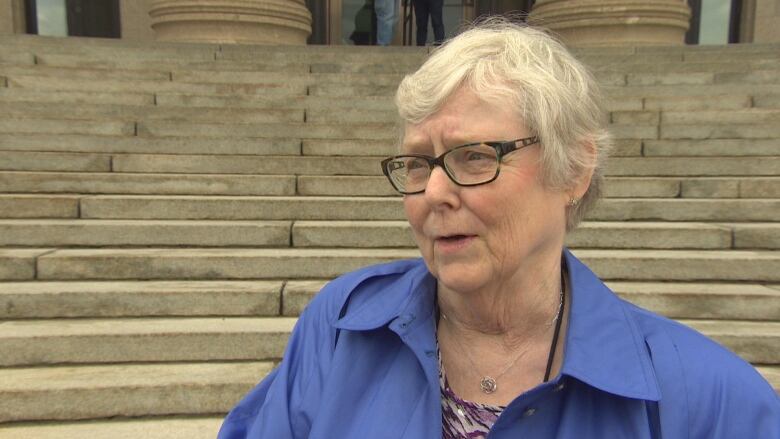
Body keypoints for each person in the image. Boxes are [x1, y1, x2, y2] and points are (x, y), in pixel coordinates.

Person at [218, 19, 779, 438]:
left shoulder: (710, 400)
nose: (434, 193)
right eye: (418, 163)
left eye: (475, 156)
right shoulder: (341, 329)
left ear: (574, 170)